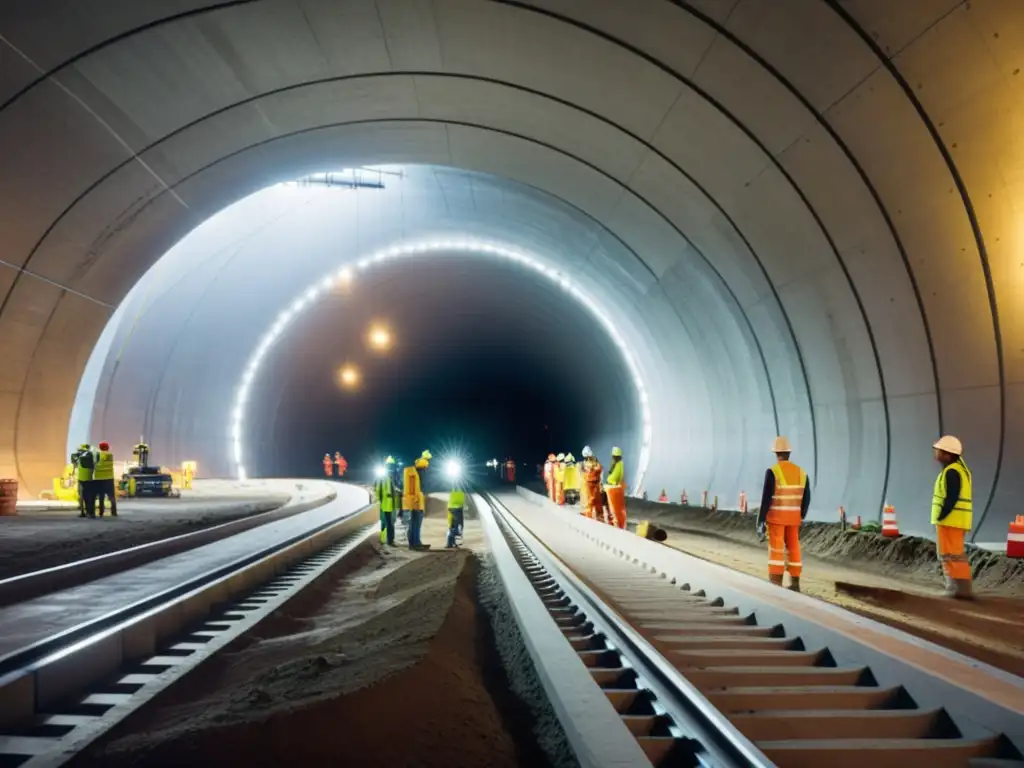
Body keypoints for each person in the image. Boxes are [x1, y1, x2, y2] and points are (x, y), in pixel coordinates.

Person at [756, 436, 811, 591]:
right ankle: (795, 582)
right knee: (794, 547)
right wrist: (801, 515)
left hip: (776, 518)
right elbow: (806, 497)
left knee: (777, 549)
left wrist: (760, 520)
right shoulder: (801, 473)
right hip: (794, 518)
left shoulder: (773, 472)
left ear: (776, 453)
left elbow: (766, 498)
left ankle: (776, 581)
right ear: (789, 453)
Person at [931, 435, 974, 599]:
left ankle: (957, 589)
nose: (936, 454)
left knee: (950, 554)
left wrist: (942, 515)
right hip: (955, 521)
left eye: (938, 451)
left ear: (947, 454)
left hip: (950, 521)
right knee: (954, 554)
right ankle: (961, 588)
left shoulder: (952, 472)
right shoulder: (958, 470)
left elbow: (952, 497)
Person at [402, 450, 431, 550]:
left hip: (414, 501)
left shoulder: (414, 472)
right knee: (416, 523)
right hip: (417, 501)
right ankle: (415, 543)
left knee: (414, 523)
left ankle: (414, 542)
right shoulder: (420, 470)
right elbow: (421, 487)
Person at [374, 460, 397, 546]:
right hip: (384, 505)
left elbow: (393, 490)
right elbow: (377, 491)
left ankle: (388, 540)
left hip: (390, 505)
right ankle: (386, 540)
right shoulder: (382, 479)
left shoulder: (390, 478)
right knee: (386, 523)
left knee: (389, 523)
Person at [92, 441, 117, 517]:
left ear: (100, 447)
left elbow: (94, 463)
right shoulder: (110, 455)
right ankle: (114, 512)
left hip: (99, 478)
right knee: (111, 496)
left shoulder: (97, 454)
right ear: (107, 447)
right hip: (109, 477)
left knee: (101, 496)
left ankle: (101, 512)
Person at [605, 447, 627, 528]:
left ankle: (616, 522)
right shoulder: (619, 463)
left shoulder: (617, 463)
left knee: (613, 507)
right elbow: (618, 475)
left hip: (612, 487)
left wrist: (614, 483)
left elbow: (617, 475)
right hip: (614, 486)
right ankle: (617, 522)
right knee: (616, 508)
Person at [580, 447, 603, 521]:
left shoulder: (595, 460)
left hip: (595, 482)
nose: (587, 458)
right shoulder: (584, 462)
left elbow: (599, 468)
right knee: (590, 499)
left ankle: (599, 514)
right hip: (588, 482)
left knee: (597, 499)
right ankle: (589, 513)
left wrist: (593, 469)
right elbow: (583, 470)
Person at [75, 443, 97, 518]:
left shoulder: (83, 457)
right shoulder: (90, 456)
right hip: (87, 479)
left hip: (84, 480)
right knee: (87, 497)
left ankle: (86, 512)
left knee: (85, 497)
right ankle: (88, 512)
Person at [71, 443, 91, 517]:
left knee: (82, 495)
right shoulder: (91, 455)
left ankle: (83, 511)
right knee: (88, 495)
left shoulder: (78, 457)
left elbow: (74, 462)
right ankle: (89, 511)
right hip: (89, 478)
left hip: (81, 478)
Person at [446, 484, 466, 548]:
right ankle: (450, 542)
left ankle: (451, 542)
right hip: (454, 508)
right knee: (453, 526)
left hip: (456, 507)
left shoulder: (459, 485)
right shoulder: (456, 485)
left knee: (455, 526)